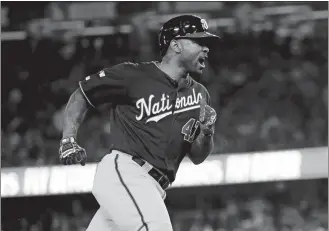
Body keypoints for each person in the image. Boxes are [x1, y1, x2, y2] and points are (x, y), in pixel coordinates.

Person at [59, 15, 219, 231]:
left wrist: (206, 134)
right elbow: (82, 95)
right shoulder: (133, 75)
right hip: (126, 172)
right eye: (199, 41)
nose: (206, 48)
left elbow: (197, 157)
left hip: (153, 189)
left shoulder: (200, 94)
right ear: (175, 45)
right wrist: (69, 138)